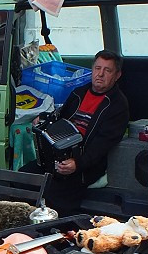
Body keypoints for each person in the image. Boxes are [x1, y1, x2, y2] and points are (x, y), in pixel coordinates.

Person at [23, 50, 129, 216]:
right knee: (20, 178)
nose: (100, 74)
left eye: (107, 70)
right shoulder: (79, 92)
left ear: (117, 75)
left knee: (55, 194)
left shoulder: (117, 105)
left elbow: (101, 146)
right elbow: (59, 117)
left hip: (85, 165)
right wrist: (43, 118)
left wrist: (77, 163)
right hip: (57, 155)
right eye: (97, 68)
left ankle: (58, 234)